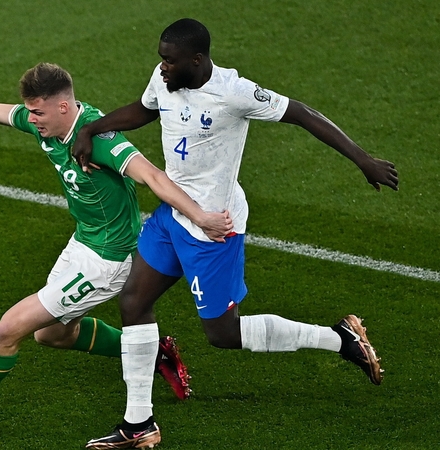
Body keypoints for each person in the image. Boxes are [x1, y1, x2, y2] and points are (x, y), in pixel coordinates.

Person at [73, 19, 399, 449]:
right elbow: (144, 108)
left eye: (169, 60)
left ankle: (340, 338)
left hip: (213, 227)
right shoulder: (166, 79)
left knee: (223, 335)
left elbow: (302, 113)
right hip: (173, 214)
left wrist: (363, 160)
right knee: (134, 301)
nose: (161, 66)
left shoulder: (234, 92)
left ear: (197, 59)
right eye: (161, 58)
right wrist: (92, 128)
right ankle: (139, 424)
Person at [0, 62, 234, 427]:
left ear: (62, 107)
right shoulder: (47, 126)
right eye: (29, 111)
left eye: (37, 112)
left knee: (7, 329)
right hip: (83, 241)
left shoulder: (102, 139)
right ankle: (154, 352)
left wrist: (201, 217)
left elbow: (152, 176)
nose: (31, 120)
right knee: (52, 335)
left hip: (108, 260)